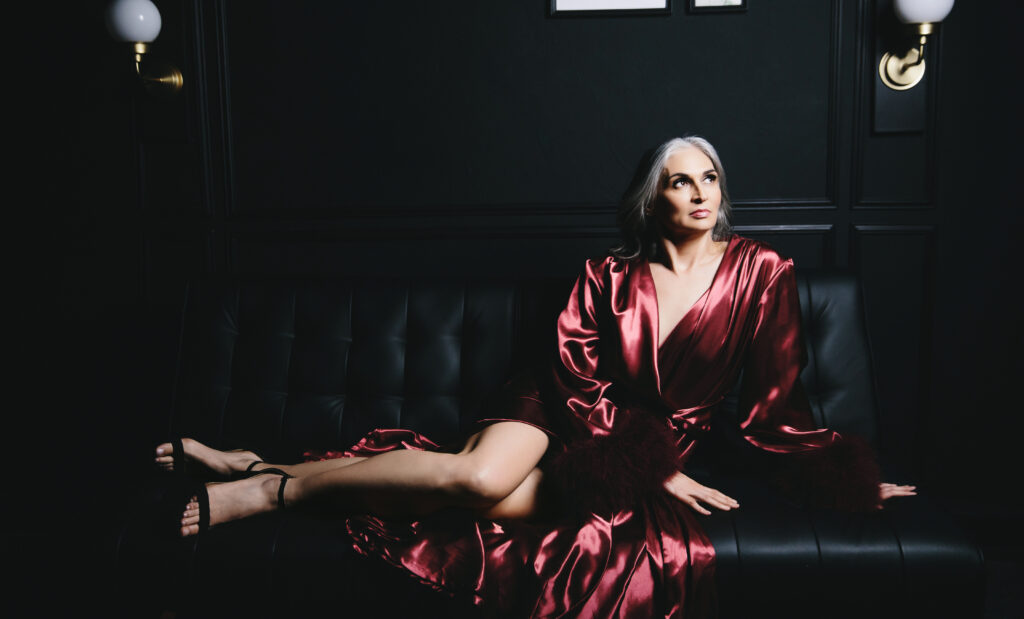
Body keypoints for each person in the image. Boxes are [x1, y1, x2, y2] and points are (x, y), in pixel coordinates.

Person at [156, 136, 915, 617]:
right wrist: (635, 459)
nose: (700, 191)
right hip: (555, 406)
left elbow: (774, 403)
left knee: (467, 500)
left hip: (637, 443)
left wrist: (836, 474)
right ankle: (265, 490)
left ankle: (262, 465)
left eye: (709, 177)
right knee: (483, 479)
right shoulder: (607, 273)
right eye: (680, 180)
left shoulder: (762, 271)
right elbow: (570, 370)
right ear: (654, 198)